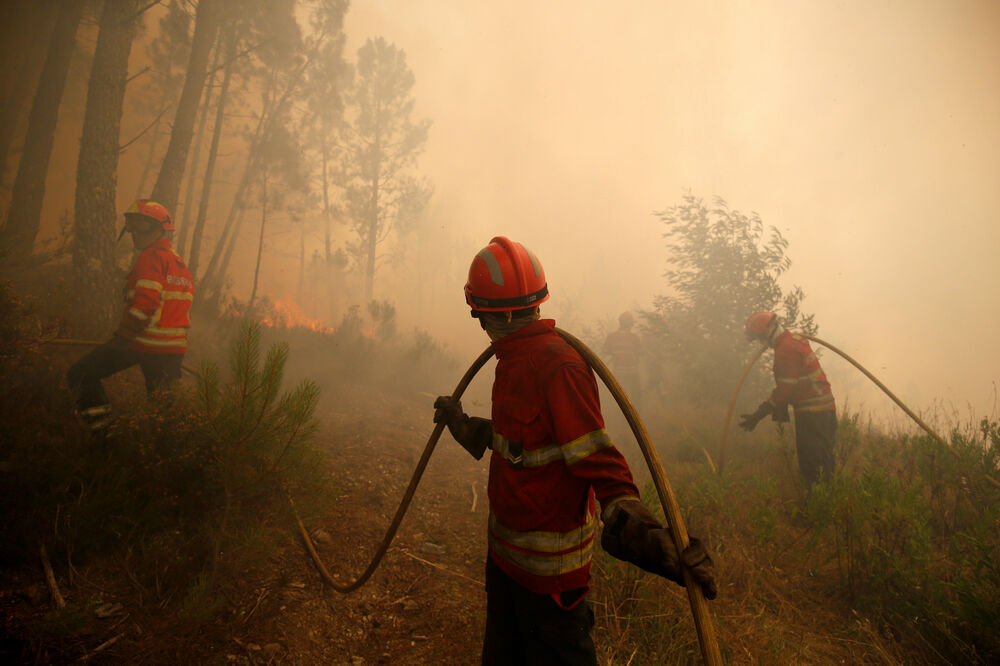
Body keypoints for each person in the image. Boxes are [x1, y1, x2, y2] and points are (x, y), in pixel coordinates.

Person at [433, 237, 716, 665]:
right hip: (505, 566)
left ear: (501, 312)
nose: (481, 325)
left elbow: (598, 463)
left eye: (482, 315)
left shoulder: (558, 366)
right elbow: (519, 444)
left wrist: (652, 539)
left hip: (551, 586)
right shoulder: (511, 359)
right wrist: (464, 426)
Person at [67, 199, 195, 430]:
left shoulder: (151, 258)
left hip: (143, 342)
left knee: (81, 373)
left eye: (143, 226)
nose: (135, 232)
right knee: (163, 412)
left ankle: (102, 435)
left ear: (161, 230)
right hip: (172, 350)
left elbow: (146, 304)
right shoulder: (179, 264)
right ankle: (165, 457)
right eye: (132, 225)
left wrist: (123, 337)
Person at [739, 311, 837, 488]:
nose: (762, 343)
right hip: (825, 411)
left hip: (813, 415)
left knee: (813, 467)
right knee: (825, 462)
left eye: (760, 338)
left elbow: (784, 392)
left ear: (767, 333)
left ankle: (818, 508)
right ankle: (827, 503)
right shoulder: (793, 340)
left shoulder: (786, 350)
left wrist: (758, 414)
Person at [603, 310, 643, 403]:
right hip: (632, 373)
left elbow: (605, 351)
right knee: (636, 398)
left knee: (619, 399)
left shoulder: (612, 336)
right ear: (628, 324)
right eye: (632, 323)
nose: (632, 325)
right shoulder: (634, 337)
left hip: (618, 373)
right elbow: (641, 352)